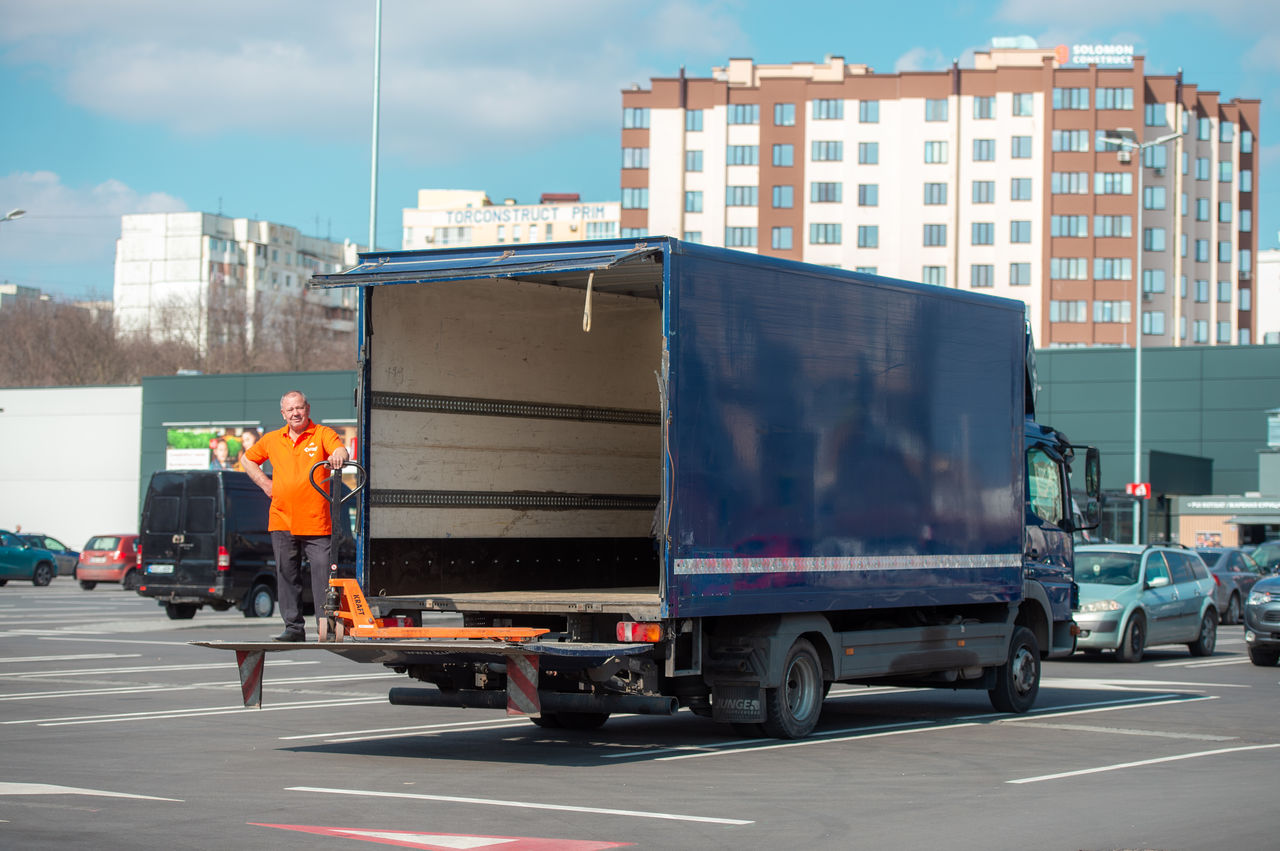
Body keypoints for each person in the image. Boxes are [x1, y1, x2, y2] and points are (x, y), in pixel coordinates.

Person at [240, 390, 349, 641]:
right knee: (286, 574)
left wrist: (337, 457)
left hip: (316, 521)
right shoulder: (272, 439)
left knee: (323, 573)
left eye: (299, 408)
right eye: (290, 410)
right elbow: (247, 460)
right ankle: (293, 628)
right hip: (282, 519)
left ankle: (328, 627)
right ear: (283, 414)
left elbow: (342, 451)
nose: (295, 413)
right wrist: (265, 484)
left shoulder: (322, 434)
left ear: (307, 409)